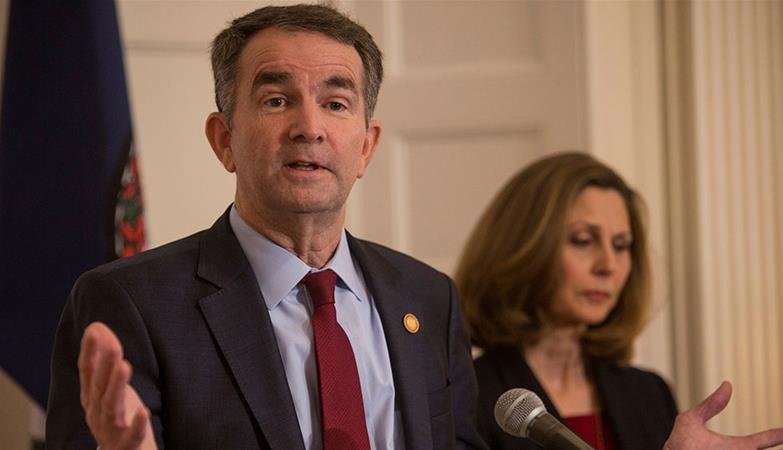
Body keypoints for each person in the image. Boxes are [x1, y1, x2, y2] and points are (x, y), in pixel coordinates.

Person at [46, 4, 483, 449]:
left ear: (366, 148)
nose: (309, 128)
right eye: (277, 100)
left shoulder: (430, 299)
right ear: (224, 140)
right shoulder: (130, 304)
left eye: (335, 104)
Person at [455, 152, 783, 450]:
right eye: (583, 240)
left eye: (621, 245)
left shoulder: (648, 391)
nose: (608, 265)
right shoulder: (469, 396)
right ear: (523, 247)